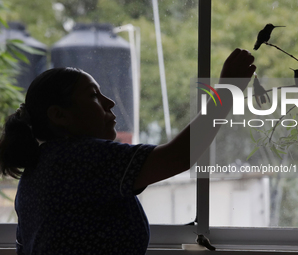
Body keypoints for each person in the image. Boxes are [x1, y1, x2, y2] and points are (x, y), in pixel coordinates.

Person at [0, 48, 255, 254]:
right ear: (59, 115)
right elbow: (179, 156)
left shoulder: (37, 171)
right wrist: (226, 92)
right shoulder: (81, 158)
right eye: (93, 96)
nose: (109, 102)